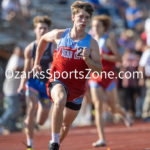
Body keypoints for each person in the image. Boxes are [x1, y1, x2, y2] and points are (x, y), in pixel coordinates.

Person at [32, 1, 102, 150]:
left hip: (77, 89)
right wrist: (36, 62)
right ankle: (54, 141)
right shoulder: (60, 34)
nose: (84, 20)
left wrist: (87, 59)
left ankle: (55, 145)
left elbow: (99, 70)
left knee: (65, 125)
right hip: (57, 80)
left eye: (87, 18)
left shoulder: (92, 43)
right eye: (81, 17)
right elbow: (43, 39)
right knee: (60, 99)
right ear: (73, 17)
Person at [89, 15, 132, 147]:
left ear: (104, 27)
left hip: (108, 77)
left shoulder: (108, 40)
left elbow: (119, 58)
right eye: (93, 25)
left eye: (98, 26)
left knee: (113, 108)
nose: (95, 28)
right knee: (98, 106)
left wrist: (103, 55)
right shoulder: (90, 40)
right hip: (95, 77)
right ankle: (102, 138)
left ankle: (123, 113)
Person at [17, 16, 53, 150]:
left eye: (45, 28)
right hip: (33, 83)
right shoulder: (29, 48)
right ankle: (30, 145)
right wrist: (22, 84)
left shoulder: (53, 46)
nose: (42, 30)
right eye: (40, 28)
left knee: (41, 121)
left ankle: (41, 108)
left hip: (47, 85)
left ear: (48, 30)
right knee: (30, 111)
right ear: (35, 30)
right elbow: (26, 69)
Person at [0, 46, 24, 134]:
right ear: (14, 52)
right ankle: (1, 123)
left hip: (15, 89)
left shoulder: (21, 59)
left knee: (16, 110)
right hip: (10, 89)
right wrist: (26, 70)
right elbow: (16, 69)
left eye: (21, 51)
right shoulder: (15, 58)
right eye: (19, 51)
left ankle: (12, 127)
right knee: (12, 109)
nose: (20, 52)